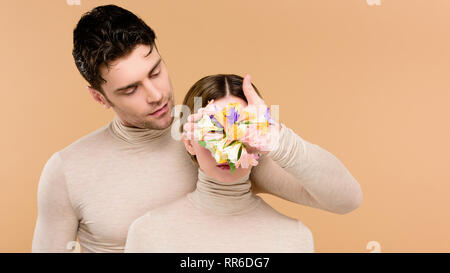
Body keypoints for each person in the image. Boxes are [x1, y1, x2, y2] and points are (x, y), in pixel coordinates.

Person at [32, 4, 362, 253]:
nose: (155, 94)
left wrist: (276, 137)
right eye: (130, 89)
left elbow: (344, 200)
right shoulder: (67, 170)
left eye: (156, 70)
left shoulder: (219, 137)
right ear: (99, 97)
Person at [124, 74, 314, 252]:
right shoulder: (148, 233)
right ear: (189, 142)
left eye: (240, 130)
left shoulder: (294, 238)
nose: (225, 151)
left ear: (260, 138)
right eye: (213, 132)